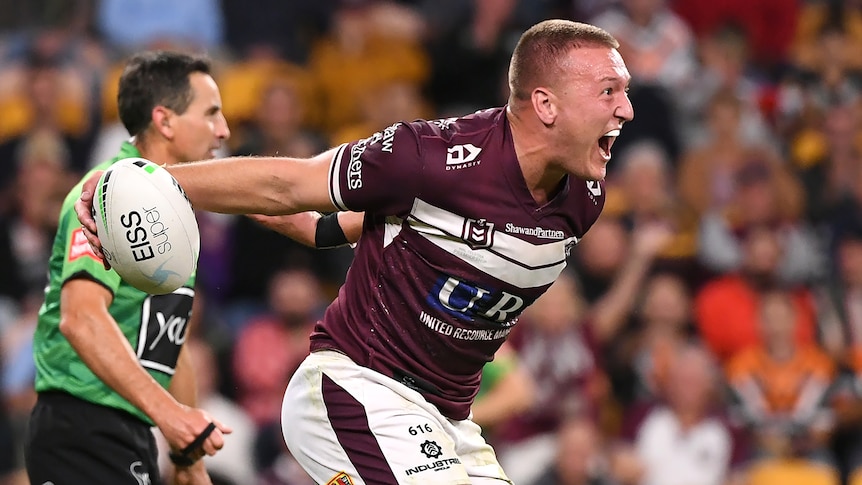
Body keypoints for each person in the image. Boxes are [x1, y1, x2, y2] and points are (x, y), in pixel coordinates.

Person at [77, 19, 633, 484]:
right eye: (609, 91)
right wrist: (149, 182)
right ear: (546, 103)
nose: (626, 110)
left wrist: (326, 231)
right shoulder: (429, 156)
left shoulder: (584, 198)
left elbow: (437, 232)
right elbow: (289, 183)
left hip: (447, 421)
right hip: (354, 391)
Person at [26, 51, 232, 485]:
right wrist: (172, 418)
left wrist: (189, 457)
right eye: (211, 113)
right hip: (80, 426)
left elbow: (169, 341)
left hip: (126, 431)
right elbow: (80, 319)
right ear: (165, 121)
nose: (223, 130)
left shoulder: (169, 210)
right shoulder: (108, 195)